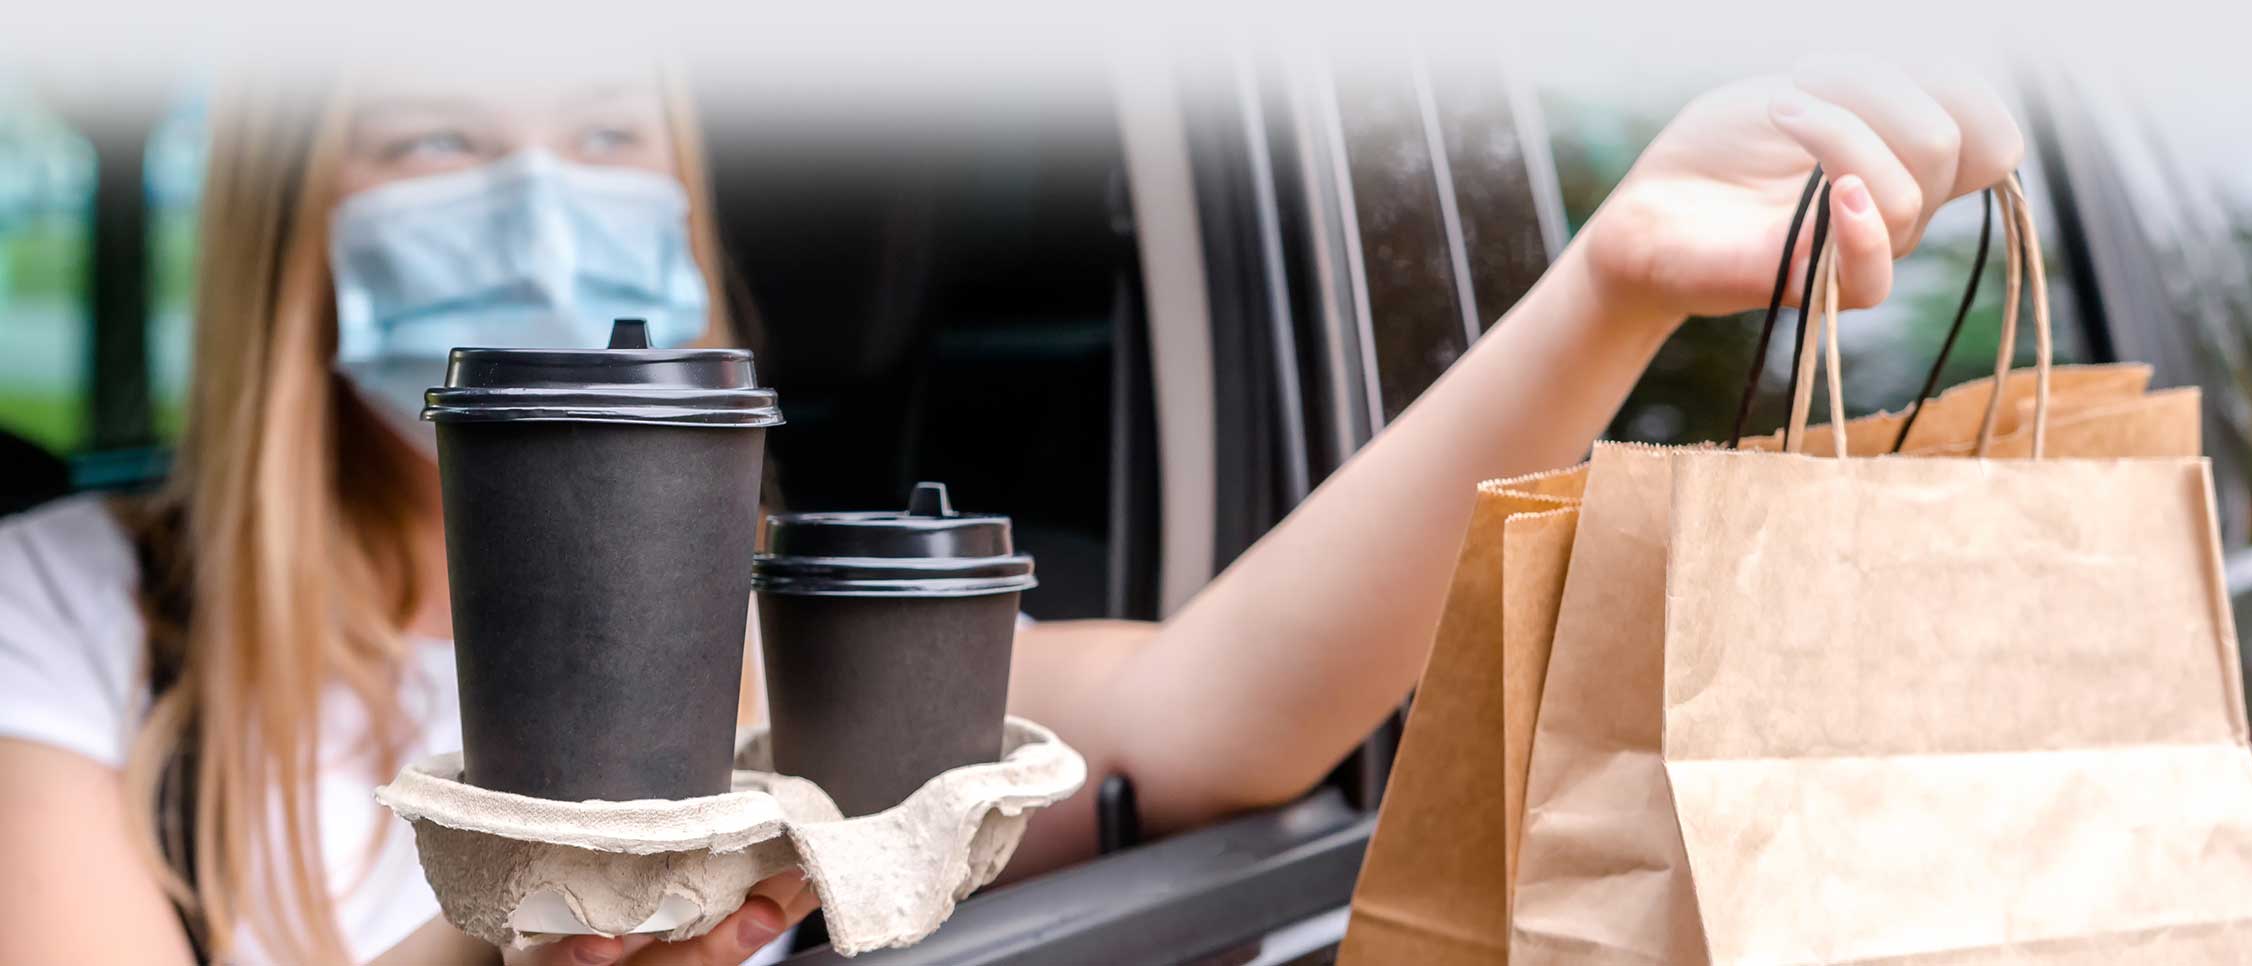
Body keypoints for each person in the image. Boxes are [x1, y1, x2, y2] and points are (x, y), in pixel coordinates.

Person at [0, 56, 2023, 965]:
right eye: (431, 131)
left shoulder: (772, 645)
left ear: (680, 218)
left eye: (607, 126)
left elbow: (1229, 716)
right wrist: (532, 937)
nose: (540, 196)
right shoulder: (73, 620)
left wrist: (1604, 288)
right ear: (288, 231)